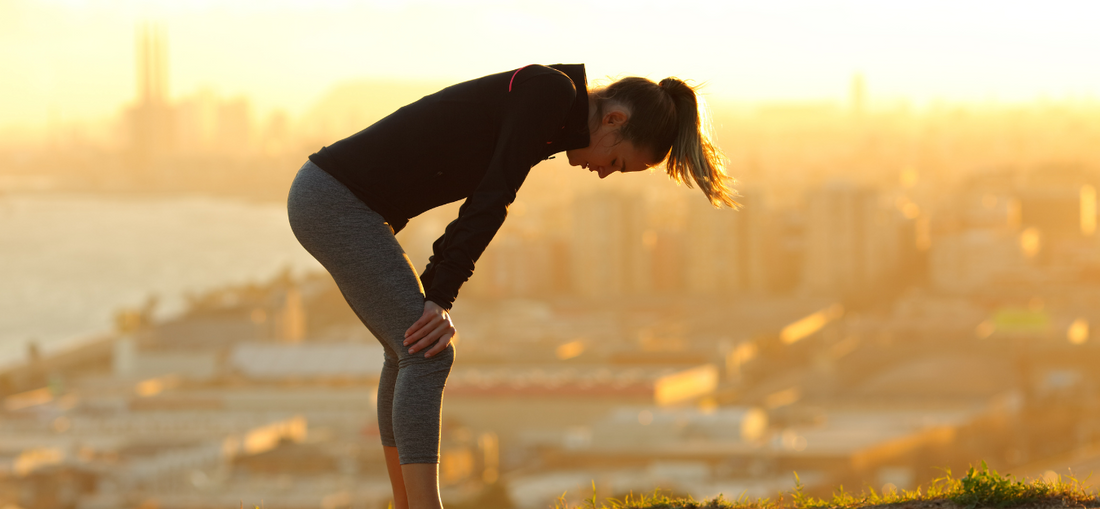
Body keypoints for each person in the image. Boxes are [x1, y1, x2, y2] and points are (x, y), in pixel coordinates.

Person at [287, 63, 737, 509]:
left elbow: (482, 194)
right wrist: (439, 296)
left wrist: (431, 288)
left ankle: (406, 504)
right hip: (337, 201)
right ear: (614, 119)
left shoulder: (550, 107)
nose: (604, 173)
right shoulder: (550, 94)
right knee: (427, 351)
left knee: (407, 345)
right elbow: (493, 197)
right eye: (616, 162)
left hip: (338, 199)